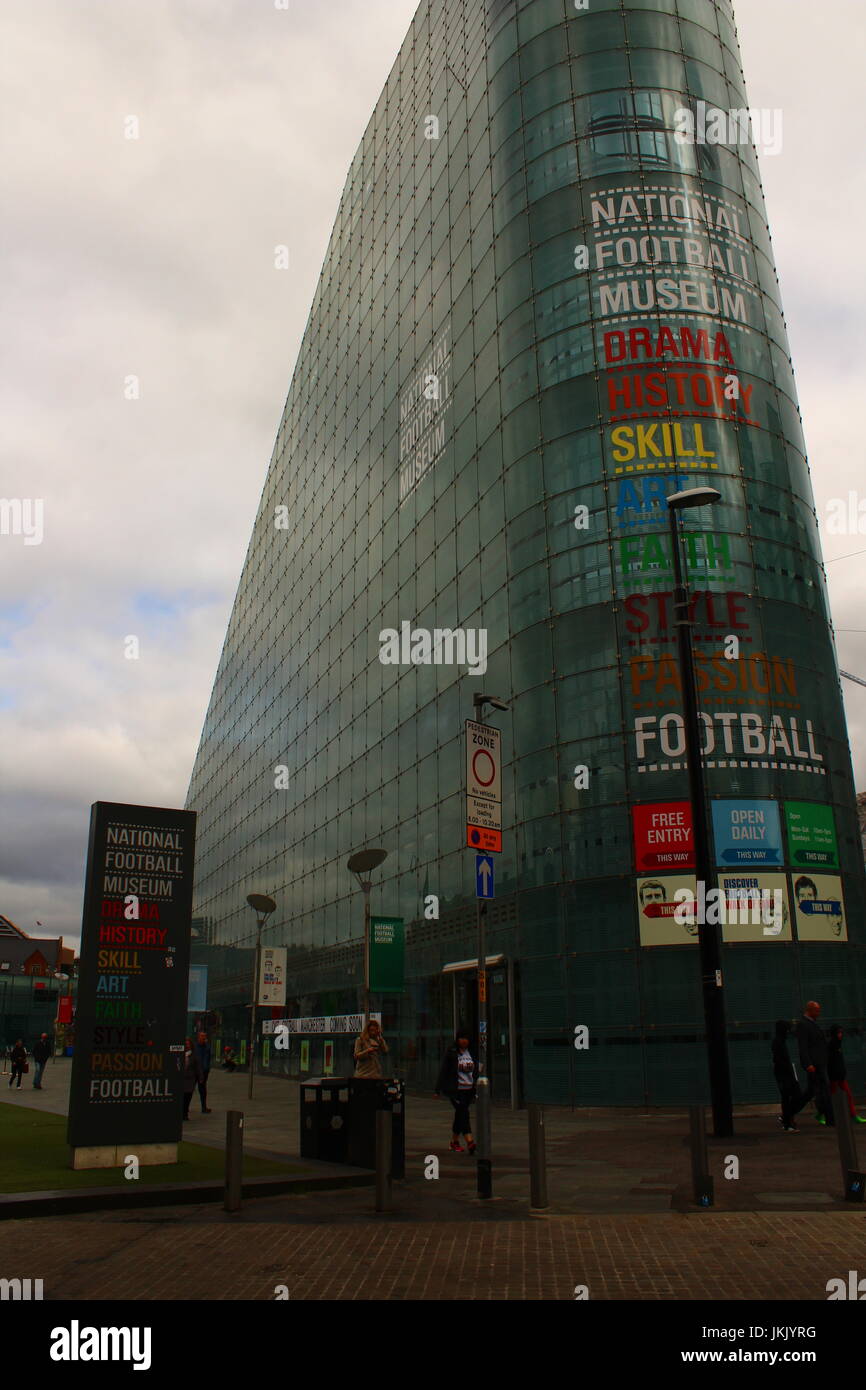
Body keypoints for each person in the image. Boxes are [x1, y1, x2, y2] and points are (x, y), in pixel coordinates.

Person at [434, 1032, 478, 1154]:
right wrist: (438, 1089)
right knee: (464, 1114)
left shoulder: (472, 1052)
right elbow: (444, 1070)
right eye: (461, 1038)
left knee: (460, 1115)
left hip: (468, 1090)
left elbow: (476, 1070)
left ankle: (454, 1142)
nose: (464, 1041)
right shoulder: (452, 1052)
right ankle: (470, 1141)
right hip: (455, 1090)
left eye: (466, 1038)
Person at [795, 1000, 834, 1127]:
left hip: (818, 1063)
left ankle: (789, 1113)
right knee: (823, 1090)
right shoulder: (804, 1025)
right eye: (817, 1010)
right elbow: (803, 1046)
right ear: (810, 1010)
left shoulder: (811, 1024)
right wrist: (808, 1063)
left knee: (812, 1091)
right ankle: (829, 1118)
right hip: (815, 1064)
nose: (819, 1013)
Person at [827, 1025, 866, 1123]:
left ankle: (853, 1115)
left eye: (841, 1032)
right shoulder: (832, 1045)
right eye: (839, 1033)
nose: (841, 1034)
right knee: (834, 1097)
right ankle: (831, 1116)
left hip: (839, 1076)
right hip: (835, 1077)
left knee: (847, 1095)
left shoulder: (837, 1044)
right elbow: (832, 1062)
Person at [772, 1019, 806, 1132]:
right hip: (785, 1074)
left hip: (784, 1074)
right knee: (794, 1096)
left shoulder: (779, 1041)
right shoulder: (779, 1042)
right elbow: (781, 1061)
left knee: (788, 1098)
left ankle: (787, 1119)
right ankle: (787, 1120)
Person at [182, 1036, 204, 1120]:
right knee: (182, 1097)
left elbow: (198, 1067)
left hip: (190, 1079)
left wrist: (201, 1077)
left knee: (187, 1096)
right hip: (182, 1079)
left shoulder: (194, 1055)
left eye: (188, 1044)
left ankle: (185, 1113)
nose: (187, 1046)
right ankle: (182, 1112)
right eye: (185, 1044)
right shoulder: (180, 1054)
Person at [194, 1031, 212, 1113]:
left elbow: (208, 1057)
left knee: (202, 1089)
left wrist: (207, 1068)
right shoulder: (195, 1046)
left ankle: (204, 1107)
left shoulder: (207, 1047)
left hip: (204, 1071)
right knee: (189, 1089)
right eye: (202, 1036)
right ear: (198, 1037)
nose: (204, 1038)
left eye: (205, 1037)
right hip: (195, 1071)